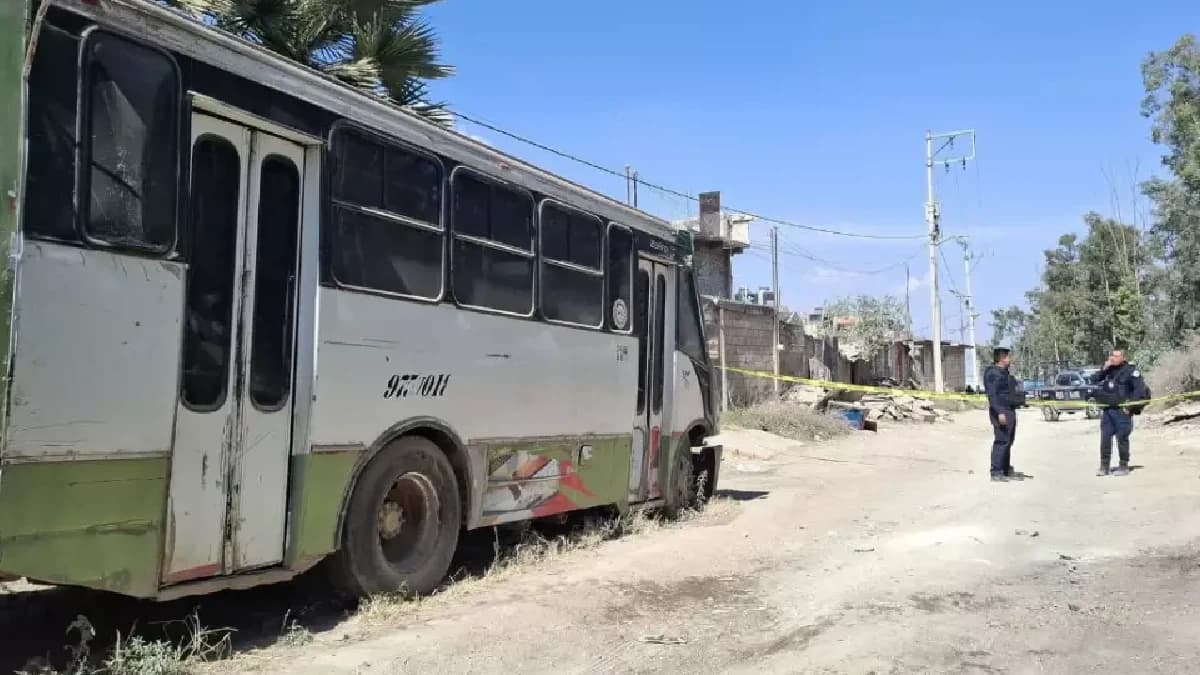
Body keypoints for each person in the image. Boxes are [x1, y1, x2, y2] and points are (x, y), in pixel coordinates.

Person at [1088, 349, 1150, 477]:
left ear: (1123, 357)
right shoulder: (1108, 370)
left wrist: (1130, 407)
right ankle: (1104, 466)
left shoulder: (1131, 371)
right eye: (1112, 355)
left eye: (1117, 356)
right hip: (1108, 410)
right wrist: (1104, 368)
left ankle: (1123, 465)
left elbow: (1140, 391)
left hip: (1122, 411)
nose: (1113, 358)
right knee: (1105, 439)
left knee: (1122, 438)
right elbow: (1093, 380)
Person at [983, 347, 1025, 482]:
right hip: (1001, 411)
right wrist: (1000, 412)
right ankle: (996, 472)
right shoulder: (992, 373)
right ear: (1001, 358)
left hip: (1009, 409)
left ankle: (1005, 469)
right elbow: (992, 395)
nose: (1009, 359)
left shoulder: (1004, 373)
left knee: (1008, 441)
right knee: (1001, 441)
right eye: (1007, 356)